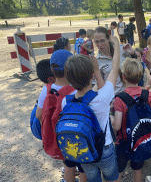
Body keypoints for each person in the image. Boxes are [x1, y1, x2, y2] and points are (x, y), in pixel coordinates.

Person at [62, 35, 121, 182]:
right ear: (91, 76)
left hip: (84, 151)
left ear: (69, 80)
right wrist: (116, 44)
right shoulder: (102, 97)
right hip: (105, 149)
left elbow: (92, 90)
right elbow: (115, 68)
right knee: (112, 178)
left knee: (93, 179)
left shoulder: (66, 101)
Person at [35, 50, 87, 182]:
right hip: (77, 136)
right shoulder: (77, 89)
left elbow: (39, 114)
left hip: (59, 138)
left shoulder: (46, 89)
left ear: (52, 70)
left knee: (68, 165)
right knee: (83, 167)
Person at [112, 57, 151, 182]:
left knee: (118, 170)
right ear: (141, 76)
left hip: (123, 140)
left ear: (123, 77)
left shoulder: (120, 98)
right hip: (140, 138)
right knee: (137, 169)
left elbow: (117, 126)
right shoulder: (148, 94)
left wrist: (111, 117)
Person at [94, 26, 135, 94]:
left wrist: (133, 54)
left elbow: (136, 67)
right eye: (97, 42)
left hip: (129, 94)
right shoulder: (98, 61)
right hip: (114, 98)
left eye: (102, 41)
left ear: (109, 39)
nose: (100, 45)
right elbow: (99, 83)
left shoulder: (121, 49)